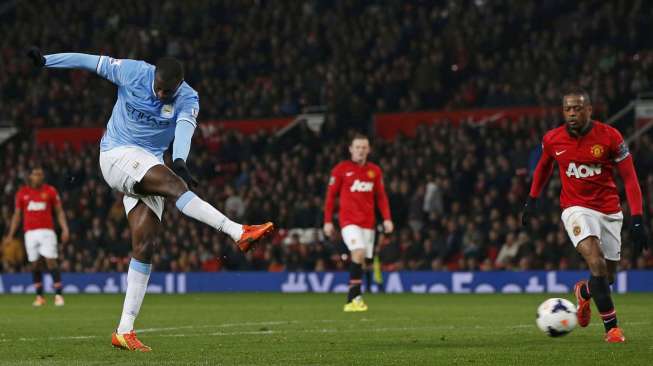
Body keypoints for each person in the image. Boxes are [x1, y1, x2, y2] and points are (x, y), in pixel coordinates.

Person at [27, 48, 274, 351]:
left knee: (145, 247)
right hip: (117, 153)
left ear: (178, 86)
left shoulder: (187, 98)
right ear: (153, 75)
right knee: (173, 184)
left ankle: (124, 331)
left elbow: (185, 128)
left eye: (166, 91)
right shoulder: (132, 72)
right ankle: (238, 231)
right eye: (157, 87)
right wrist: (47, 61)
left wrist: (181, 159)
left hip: (148, 162)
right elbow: (90, 62)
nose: (159, 94)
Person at [522, 89, 648, 343]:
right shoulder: (552, 139)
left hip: (610, 210)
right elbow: (543, 168)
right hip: (575, 208)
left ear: (589, 110)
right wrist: (532, 199)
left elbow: (630, 178)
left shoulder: (611, 137)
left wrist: (637, 218)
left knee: (607, 277)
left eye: (577, 108)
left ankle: (584, 291)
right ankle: (612, 329)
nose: (572, 113)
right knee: (596, 262)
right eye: (568, 109)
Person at [324, 134, 393, 312]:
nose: (361, 150)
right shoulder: (341, 169)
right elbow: (330, 197)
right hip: (348, 221)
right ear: (351, 149)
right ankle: (354, 298)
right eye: (357, 147)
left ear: (368, 150)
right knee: (359, 251)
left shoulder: (374, 171)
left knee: (362, 260)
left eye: (364, 147)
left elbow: (381, 197)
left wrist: (387, 218)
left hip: (368, 224)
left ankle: (352, 299)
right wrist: (327, 221)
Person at [3, 166, 69, 307]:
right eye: (35, 174)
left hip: (47, 232)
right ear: (30, 176)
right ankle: (39, 296)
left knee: (51, 261)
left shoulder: (50, 191)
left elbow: (59, 212)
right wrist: (10, 235)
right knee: (34, 264)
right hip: (30, 233)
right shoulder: (22, 193)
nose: (38, 177)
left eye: (40, 174)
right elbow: (17, 215)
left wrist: (65, 229)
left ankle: (58, 295)